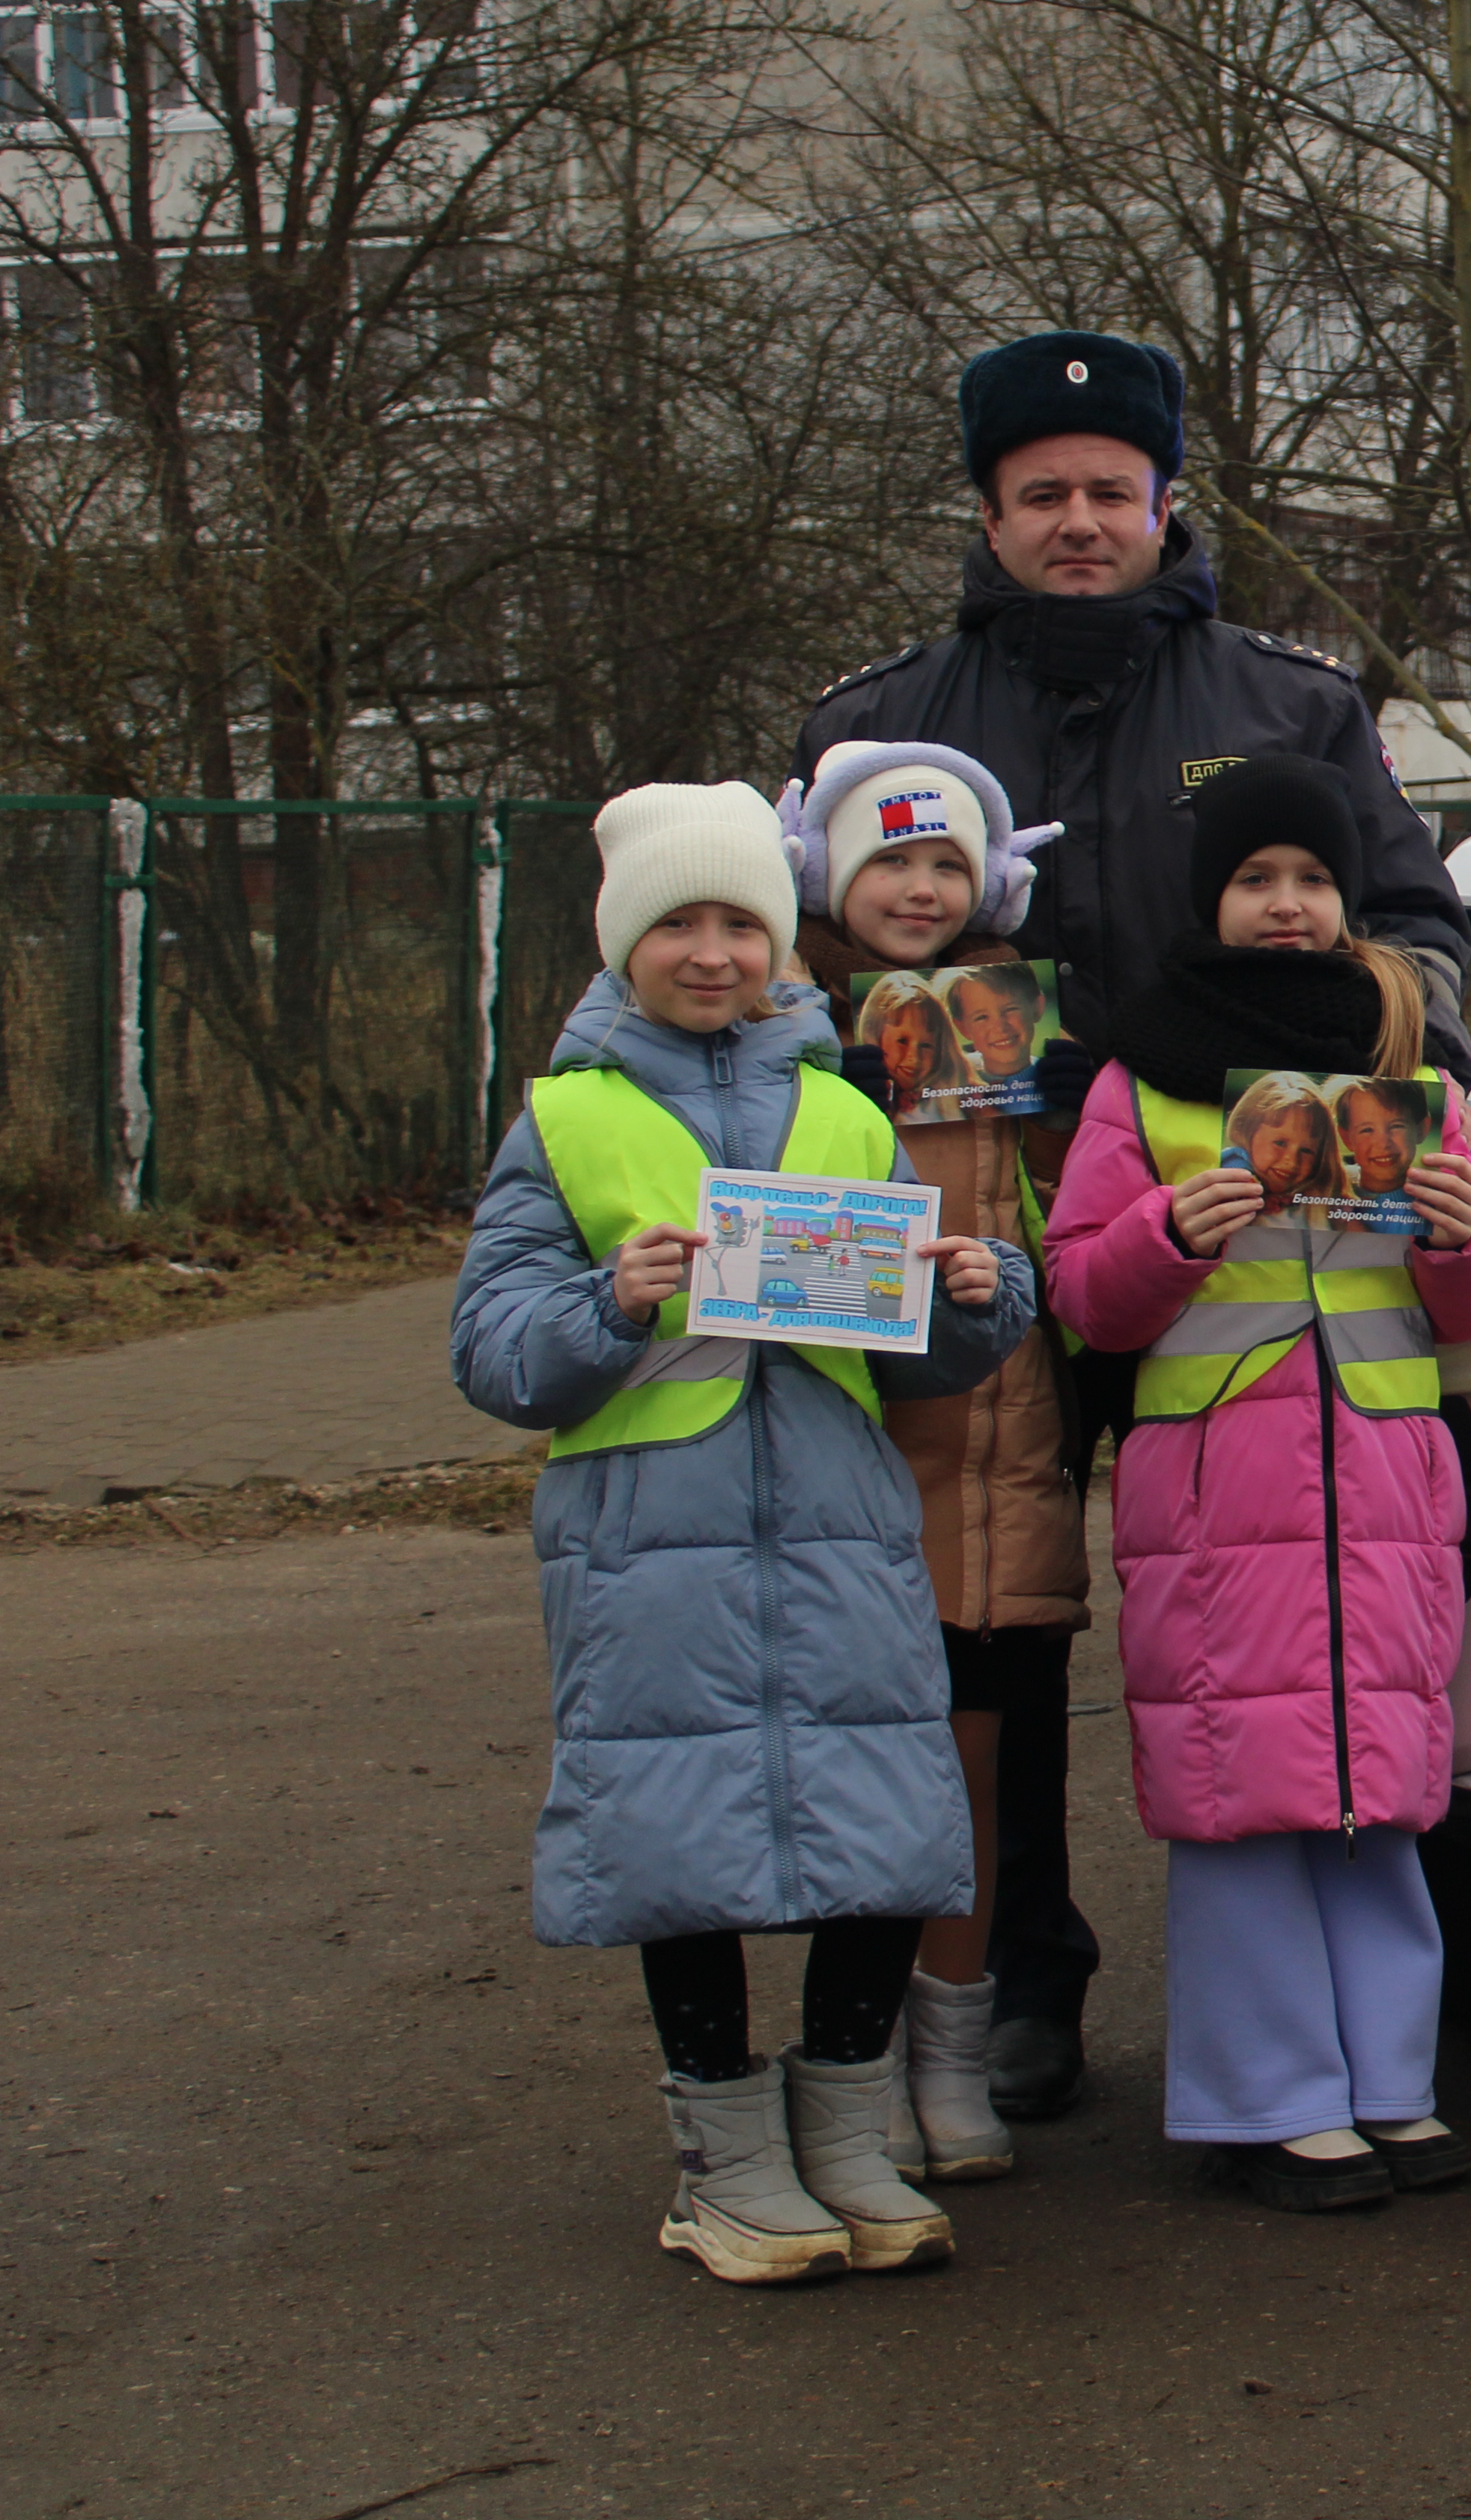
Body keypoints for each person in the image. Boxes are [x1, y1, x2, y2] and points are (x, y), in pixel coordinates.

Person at [794, 329, 1471, 2121]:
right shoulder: (884, 721)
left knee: (1266, 1615)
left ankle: (1327, 2019)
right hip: (978, 1258)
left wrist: (1376, 1085)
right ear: (989, 509)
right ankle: (1011, 1980)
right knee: (990, 1630)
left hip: (1247, 1249)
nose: (1079, 523)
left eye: (1111, 491)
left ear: (1165, 501)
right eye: (1044, 496)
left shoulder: (1288, 704)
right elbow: (808, 976)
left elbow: (1418, 926)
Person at [448, 782, 1029, 2285]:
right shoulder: (564, 1118)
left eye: (738, 926)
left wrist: (974, 1299)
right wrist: (606, 1299)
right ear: (623, 942)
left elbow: (911, 1351)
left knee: (884, 1832)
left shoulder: (843, 1105)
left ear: (781, 945)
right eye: (676, 925)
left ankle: (844, 2131)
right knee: (678, 1835)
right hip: (652, 1535)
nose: (710, 954)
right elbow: (496, 1351)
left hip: (839, 1523)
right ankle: (724, 2158)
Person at [1041, 755, 1471, 2212]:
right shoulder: (1143, 1073)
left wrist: (1454, 1230)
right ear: (1213, 900)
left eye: (1311, 879)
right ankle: (1268, 2100)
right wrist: (1168, 1228)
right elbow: (1082, 1295)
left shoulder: (1413, 1079)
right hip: (1213, 1504)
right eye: (1257, 879)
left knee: (1376, 1794)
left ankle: (1389, 2084)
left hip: (1380, 1495)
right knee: (1241, 1803)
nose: (1288, 903)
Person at [779, 737, 1085, 2188]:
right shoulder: (769, 1016)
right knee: (856, 1775)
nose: (916, 887)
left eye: (944, 861)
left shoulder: (1030, 1027)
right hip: (840, 1445)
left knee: (977, 1761)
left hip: (996, 1448)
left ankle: (953, 2059)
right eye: (889, 859)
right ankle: (852, 2055)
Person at [851, 968, 973, 1120]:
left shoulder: (950, 1093)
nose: (914, 1058)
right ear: (874, 1034)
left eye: (926, 1045)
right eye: (902, 1041)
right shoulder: (858, 1094)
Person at [1222, 1069, 1344, 1217]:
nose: (1292, 1162)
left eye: (1306, 1150)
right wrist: (1254, 1196)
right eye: (1280, 1143)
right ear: (1246, 1131)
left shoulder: (1315, 1193)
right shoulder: (1234, 1164)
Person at [1330, 1074, 1427, 1205]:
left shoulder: (1432, 1202)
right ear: (1346, 1138)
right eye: (1367, 1130)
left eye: (1396, 1126)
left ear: (1421, 1130)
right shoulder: (1329, 1194)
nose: (1383, 1144)